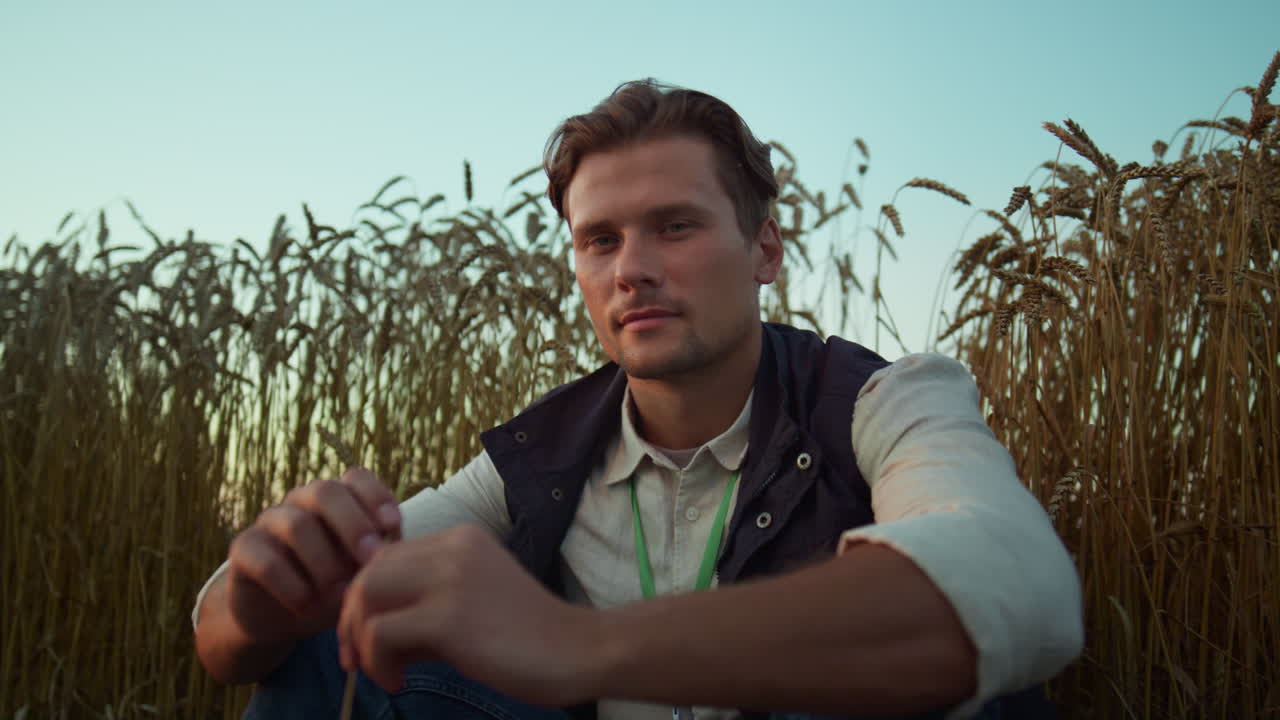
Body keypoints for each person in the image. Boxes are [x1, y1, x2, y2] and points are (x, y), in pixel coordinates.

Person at [192, 79, 1083, 720]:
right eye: (600, 240)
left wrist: (574, 646)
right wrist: (267, 595)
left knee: (952, 664)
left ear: (765, 248)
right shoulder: (536, 457)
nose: (632, 269)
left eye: (676, 226)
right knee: (335, 643)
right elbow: (222, 629)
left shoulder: (882, 401)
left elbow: (1024, 587)